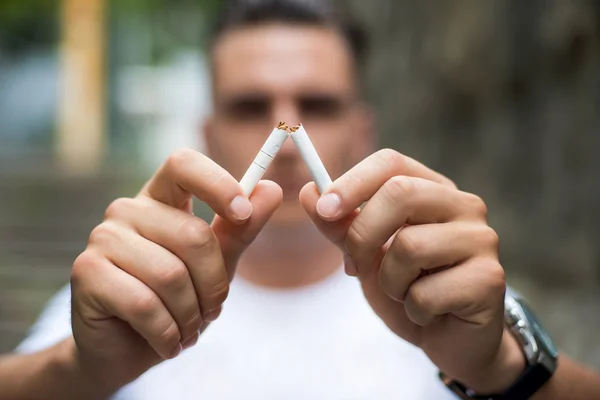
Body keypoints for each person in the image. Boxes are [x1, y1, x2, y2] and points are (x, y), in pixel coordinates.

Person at [1, 0, 599, 399]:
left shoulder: (442, 288)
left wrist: (500, 368)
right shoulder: (135, 295)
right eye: (250, 106)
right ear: (207, 134)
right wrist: (80, 372)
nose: (285, 137)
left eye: (315, 104)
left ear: (361, 130)